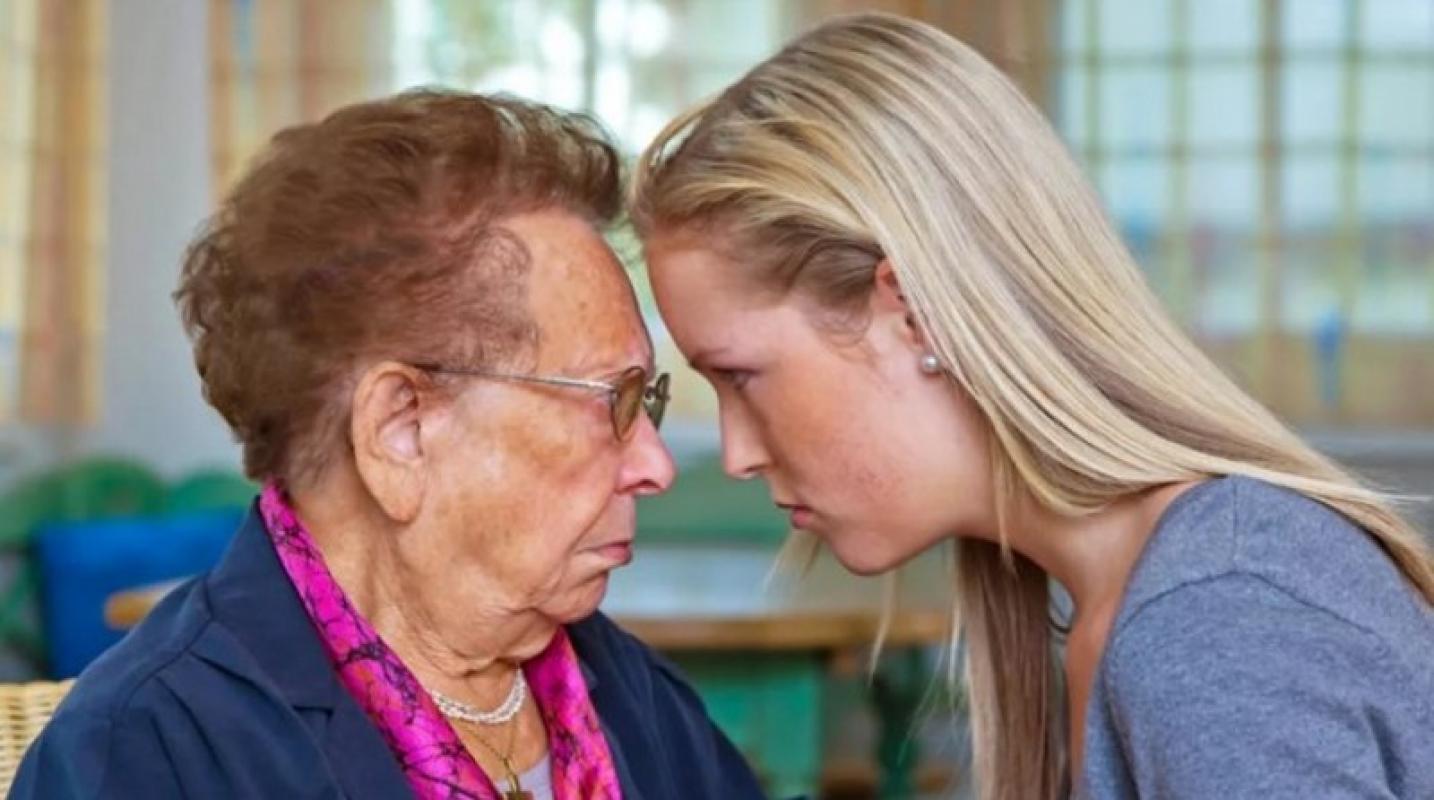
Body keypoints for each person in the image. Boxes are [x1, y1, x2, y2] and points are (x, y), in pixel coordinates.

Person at [629, 13, 1434, 800]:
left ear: (911, 312)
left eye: (740, 376)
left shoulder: (1213, 619)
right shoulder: (1128, 603)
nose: (737, 454)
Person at [13, 90, 767, 800]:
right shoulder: (151, 755)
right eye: (613, 401)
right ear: (400, 429)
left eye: (650, 403)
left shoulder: (630, 694)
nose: (654, 465)